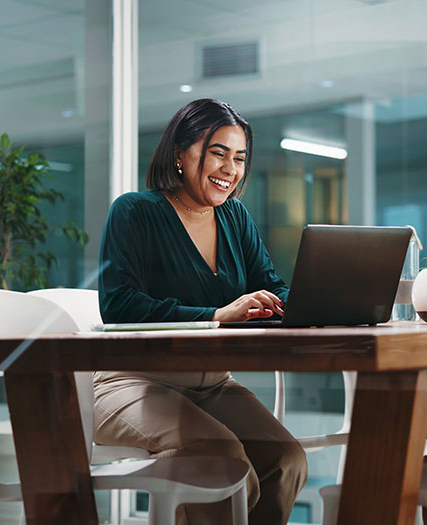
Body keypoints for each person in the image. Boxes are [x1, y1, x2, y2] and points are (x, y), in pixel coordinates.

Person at [96, 99, 307, 525]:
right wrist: (216, 314)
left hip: (211, 384)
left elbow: (268, 284)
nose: (231, 169)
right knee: (221, 457)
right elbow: (119, 304)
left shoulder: (234, 217)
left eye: (240, 158)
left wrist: (295, 304)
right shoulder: (135, 211)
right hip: (130, 382)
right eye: (218, 153)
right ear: (180, 153)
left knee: (286, 459)